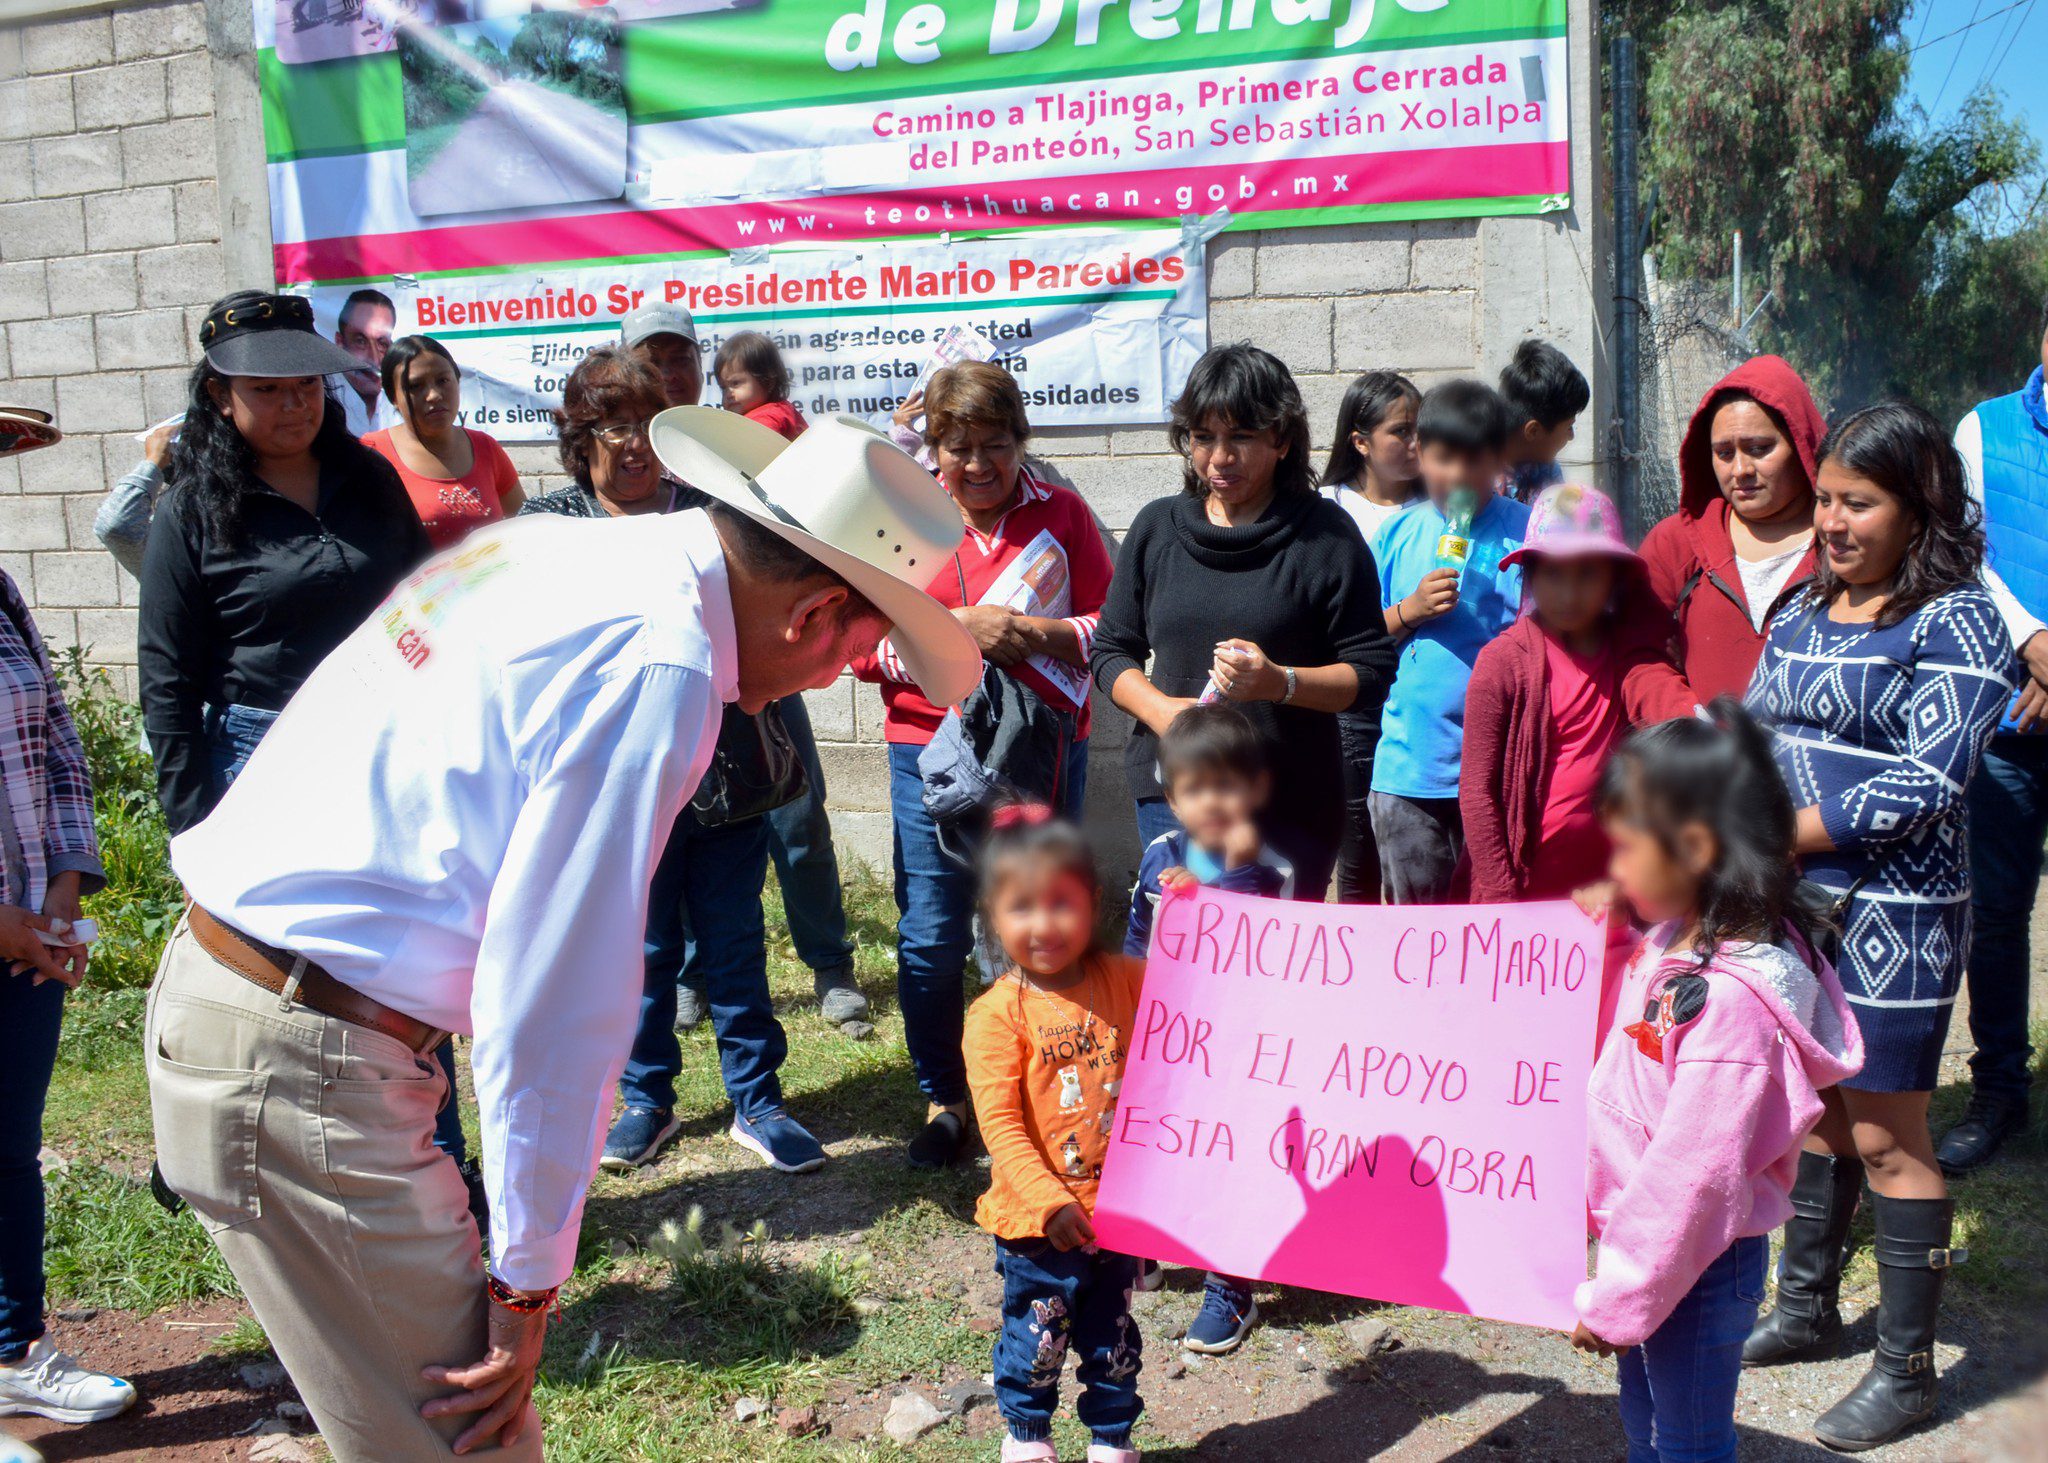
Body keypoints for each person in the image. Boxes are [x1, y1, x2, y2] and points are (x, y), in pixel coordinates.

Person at [145, 407, 979, 1462]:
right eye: (857, 650)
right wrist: (526, 1279)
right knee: (469, 1446)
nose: (831, 679)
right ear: (814, 611)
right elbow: (552, 997)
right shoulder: (662, 665)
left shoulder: (553, 545)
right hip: (306, 1055)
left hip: (250, 1002)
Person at [1744, 402, 2012, 1451]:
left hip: (1892, 908)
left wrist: (1777, 833)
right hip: (1788, 902)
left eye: (1859, 502)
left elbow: (1925, 779)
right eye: (1825, 500)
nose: (1834, 522)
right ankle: (1805, 1308)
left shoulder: (1956, 618)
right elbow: (1756, 723)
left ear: (1918, 508)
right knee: (1816, 1108)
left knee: (1884, 1131)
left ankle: (1904, 1371)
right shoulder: (1805, 605)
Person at [519, 350, 825, 1175]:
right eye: (613, 426)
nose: (632, 445)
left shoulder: (711, 513)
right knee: (640, 951)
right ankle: (647, 1099)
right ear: (582, 437)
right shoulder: (552, 526)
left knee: (733, 942)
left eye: (646, 426)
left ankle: (758, 1101)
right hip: (616, 787)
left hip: (723, 774)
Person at [1569, 703, 1861, 1463]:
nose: (1616, 869)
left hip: (1692, 1260)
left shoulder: (1730, 1006)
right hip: (1649, 1239)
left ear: (1696, 848)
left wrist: (1620, 1297)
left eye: (1628, 849)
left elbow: (1692, 1180)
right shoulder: (1683, 937)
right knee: (1648, 1421)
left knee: (1691, 1441)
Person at [852, 360, 1113, 1170]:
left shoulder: (1061, 514)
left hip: (1041, 745)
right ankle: (945, 1094)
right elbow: (861, 649)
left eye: (995, 445)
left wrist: (1029, 634)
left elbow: (1110, 628)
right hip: (925, 750)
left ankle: (1045, 1088)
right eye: (958, 447)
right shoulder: (901, 519)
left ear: (1021, 443)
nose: (977, 465)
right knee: (931, 936)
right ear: (932, 447)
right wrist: (960, 631)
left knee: (1038, 923)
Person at [621, 304, 868, 1032]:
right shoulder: (623, 457)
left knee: (797, 817)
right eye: (653, 357)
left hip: (759, 668)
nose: (669, 371)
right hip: (667, 678)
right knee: (678, 833)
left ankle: (830, 966)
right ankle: (692, 975)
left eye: (680, 357)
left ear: (701, 369)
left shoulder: (735, 441)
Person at [1093, 344, 1395, 904]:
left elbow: (1371, 672)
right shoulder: (1158, 527)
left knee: (1271, 974)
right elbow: (1111, 649)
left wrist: (1279, 682)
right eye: (1203, 438)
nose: (1219, 458)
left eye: (1241, 438)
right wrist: (1164, 713)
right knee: (1183, 963)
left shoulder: (1325, 538)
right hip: (1175, 794)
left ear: (1281, 438)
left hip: (1288, 799)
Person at [138, 291, 430, 838]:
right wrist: (193, 826)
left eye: (306, 384)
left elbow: (428, 602)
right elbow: (166, 681)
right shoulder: (193, 510)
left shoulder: (371, 479)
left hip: (390, 742)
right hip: (260, 758)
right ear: (220, 396)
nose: (295, 404)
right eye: (267, 390)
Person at [0, 407, 137, 1434]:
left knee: (6, 1142)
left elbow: (55, 743)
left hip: (25, 931)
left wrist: (60, 889)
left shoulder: (1, 594)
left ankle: (10, 1350)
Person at [962, 806, 1145, 1463]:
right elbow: (1002, 1126)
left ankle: (1111, 1439)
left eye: (1061, 903)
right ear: (993, 912)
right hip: (1037, 1228)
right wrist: (1050, 1202)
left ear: (1092, 903)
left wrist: (1188, 906)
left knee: (1114, 1338)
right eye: (1022, 907)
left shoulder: (1122, 980)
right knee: (1037, 1340)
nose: (1043, 925)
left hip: (1117, 1220)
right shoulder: (994, 1016)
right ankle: (1028, 1437)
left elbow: (1192, 989)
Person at [1120, 703, 1288, 1356]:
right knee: (1158, 1148)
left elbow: (1263, 930)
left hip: (1238, 1051)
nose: (1211, 801)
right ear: (1171, 796)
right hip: (1168, 1042)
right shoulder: (1157, 854)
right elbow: (1139, 930)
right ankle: (1151, 1250)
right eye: (1194, 789)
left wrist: (1206, 896)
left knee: (1227, 1159)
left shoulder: (1266, 864)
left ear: (1255, 788)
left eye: (1227, 785)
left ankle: (1232, 1283)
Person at [1940, 297, 2048, 1173]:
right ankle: (2000, 1090)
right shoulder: (1984, 429)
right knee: (1999, 913)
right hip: (2012, 719)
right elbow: (1965, 550)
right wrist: (2033, 644)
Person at [1461, 484, 1672, 902]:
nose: (1570, 594)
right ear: (1530, 575)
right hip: (1520, 890)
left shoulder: (1627, 657)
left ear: (1614, 577)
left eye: (1588, 574)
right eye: (1554, 574)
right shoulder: (1502, 662)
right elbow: (1476, 791)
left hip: (1609, 891)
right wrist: (1503, 898)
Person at [1367, 379, 1529, 904]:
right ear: (1419, 454)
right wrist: (1409, 611)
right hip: (1410, 768)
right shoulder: (1397, 535)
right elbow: (1357, 641)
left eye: (1475, 462)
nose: (1458, 476)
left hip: (1497, 771)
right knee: (1420, 927)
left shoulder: (1528, 534)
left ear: (1500, 459)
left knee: (1491, 918)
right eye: (1443, 459)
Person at [1638, 357, 1825, 705]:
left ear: (1801, 443)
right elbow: (1636, 654)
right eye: (1724, 453)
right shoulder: (1676, 544)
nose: (1740, 470)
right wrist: (1690, 725)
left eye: (1759, 449)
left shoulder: (1841, 544)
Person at [1318, 371, 1421, 904]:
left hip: (1423, 710)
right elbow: (1328, 636)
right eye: (1401, 432)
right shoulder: (1327, 514)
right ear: (1359, 442)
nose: (1416, 444)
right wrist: (1408, 612)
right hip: (1355, 709)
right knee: (1357, 861)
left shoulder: (1443, 509)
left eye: (1421, 430)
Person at [363, 335, 525, 548]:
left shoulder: (486, 447)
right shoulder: (371, 454)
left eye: (443, 381)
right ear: (393, 397)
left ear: (457, 382)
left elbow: (525, 524)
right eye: (415, 386)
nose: (433, 395)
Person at [1497, 339, 1590, 504]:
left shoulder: (1549, 472)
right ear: (1533, 431)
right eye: (1569, 427)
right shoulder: (1477, 474)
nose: (1571, 436)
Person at [92, 417, 177, 580]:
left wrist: (154, 462)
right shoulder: (185, 537)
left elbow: (116, 525)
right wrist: (153, 463)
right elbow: (116, 526)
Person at [714, 330, 808, 442]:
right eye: (723, 388)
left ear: (768, 381)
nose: (728, 394)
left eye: (735, 383)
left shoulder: (765, 420)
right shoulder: (782, 410)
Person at [332, 287, 400, 438]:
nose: (374, 359)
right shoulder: (323, 404)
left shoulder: (399, 406)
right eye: (360, 341)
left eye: (382, 344)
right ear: (340, 343)